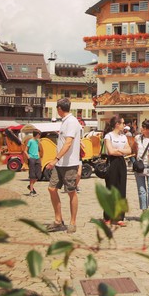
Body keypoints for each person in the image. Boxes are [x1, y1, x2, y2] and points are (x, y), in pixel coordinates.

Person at [45, 98, 82, 234]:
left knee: (71, 192)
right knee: (52, 188)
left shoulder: (71, 122)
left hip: (69, 163)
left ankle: (72, 222)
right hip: (60, 163)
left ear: (60, 108)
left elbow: (68, 143)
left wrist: (55, 159)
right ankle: (58, 220)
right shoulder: (66, 122)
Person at [103, 115, 132, 226]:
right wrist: (122, 151)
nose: (124, 125)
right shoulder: (108, 136)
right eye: (123, 123)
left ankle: (119, 217)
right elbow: (110, 151)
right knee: (110, 190)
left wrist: (119, 150)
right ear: (117, 124)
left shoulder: (123, 137)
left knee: (121, 189)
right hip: (112, 163)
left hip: (121, 163)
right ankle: (108, 217)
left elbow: (129, 150)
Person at [26, 131, 42, 196]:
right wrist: (28, 157)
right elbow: (25, 150)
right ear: (36, 134)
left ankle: (30, 186)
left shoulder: (37, 141)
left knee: (38, 175)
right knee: (32, 175)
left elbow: (38, 150)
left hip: (37, 158)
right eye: (39, 134)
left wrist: (39, 157)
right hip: (32, 158)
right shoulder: (30, 141)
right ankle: (31, 191)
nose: (40, 135)